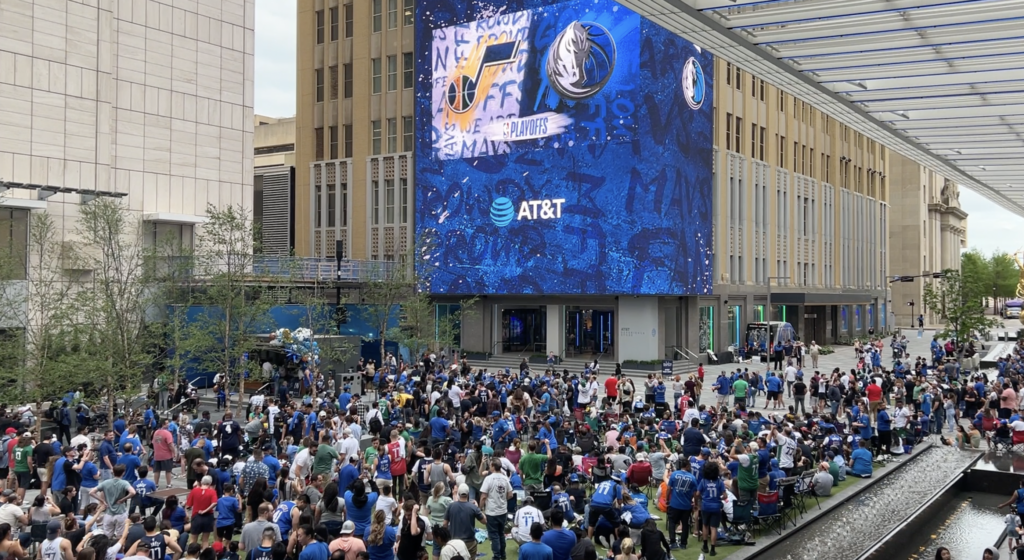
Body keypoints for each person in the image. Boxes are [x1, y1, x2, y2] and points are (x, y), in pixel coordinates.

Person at [91, 464, 137, 539]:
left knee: (107, 536)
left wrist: (102, 501)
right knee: (120, 536)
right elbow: (133, 492)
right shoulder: (124, 483)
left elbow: (92, 492)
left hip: (108, 513)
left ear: (113, 472)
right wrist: (123, 499)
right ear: (123, 473)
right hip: (120, 512)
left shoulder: (106, 482)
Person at [479, 459, 513, 560]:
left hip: (492, 512)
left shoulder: (488, 479)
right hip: (503, 511)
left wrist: (480, 509)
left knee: (494, 536)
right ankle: (503, 555)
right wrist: (502, 499)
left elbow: (483, 496)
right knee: (501, 534)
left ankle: (497, 556)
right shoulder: (505, 478)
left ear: (493, 466)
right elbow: (510, 494)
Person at [444, 484, 484, 560]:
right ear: (468, 494)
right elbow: (484, 521)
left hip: (454, 542)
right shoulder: (473, 507)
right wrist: (477, 508)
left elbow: (445, 524)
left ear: (458, 493)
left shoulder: (451, 506)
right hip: (469, 542)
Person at [695, 462, 725, 556]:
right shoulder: (719, 482)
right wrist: (718, 498)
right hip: (716, 506)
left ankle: (705, 546)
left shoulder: (703, 481)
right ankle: (712, 549)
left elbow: (697, 494)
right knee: (714, 528)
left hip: (705, 506)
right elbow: (725, 496)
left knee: (705, 525)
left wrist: (703, 497)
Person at [185, 475, 218, 547]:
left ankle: (191, 556)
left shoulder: (194, 491)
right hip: (208, 517)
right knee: (205, 540)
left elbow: (188, 505)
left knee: (193, 540)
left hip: (196, 517)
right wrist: (205, 510)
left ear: (201, 482)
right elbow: (214, 502)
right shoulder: (212, 492)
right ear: (210, 483)